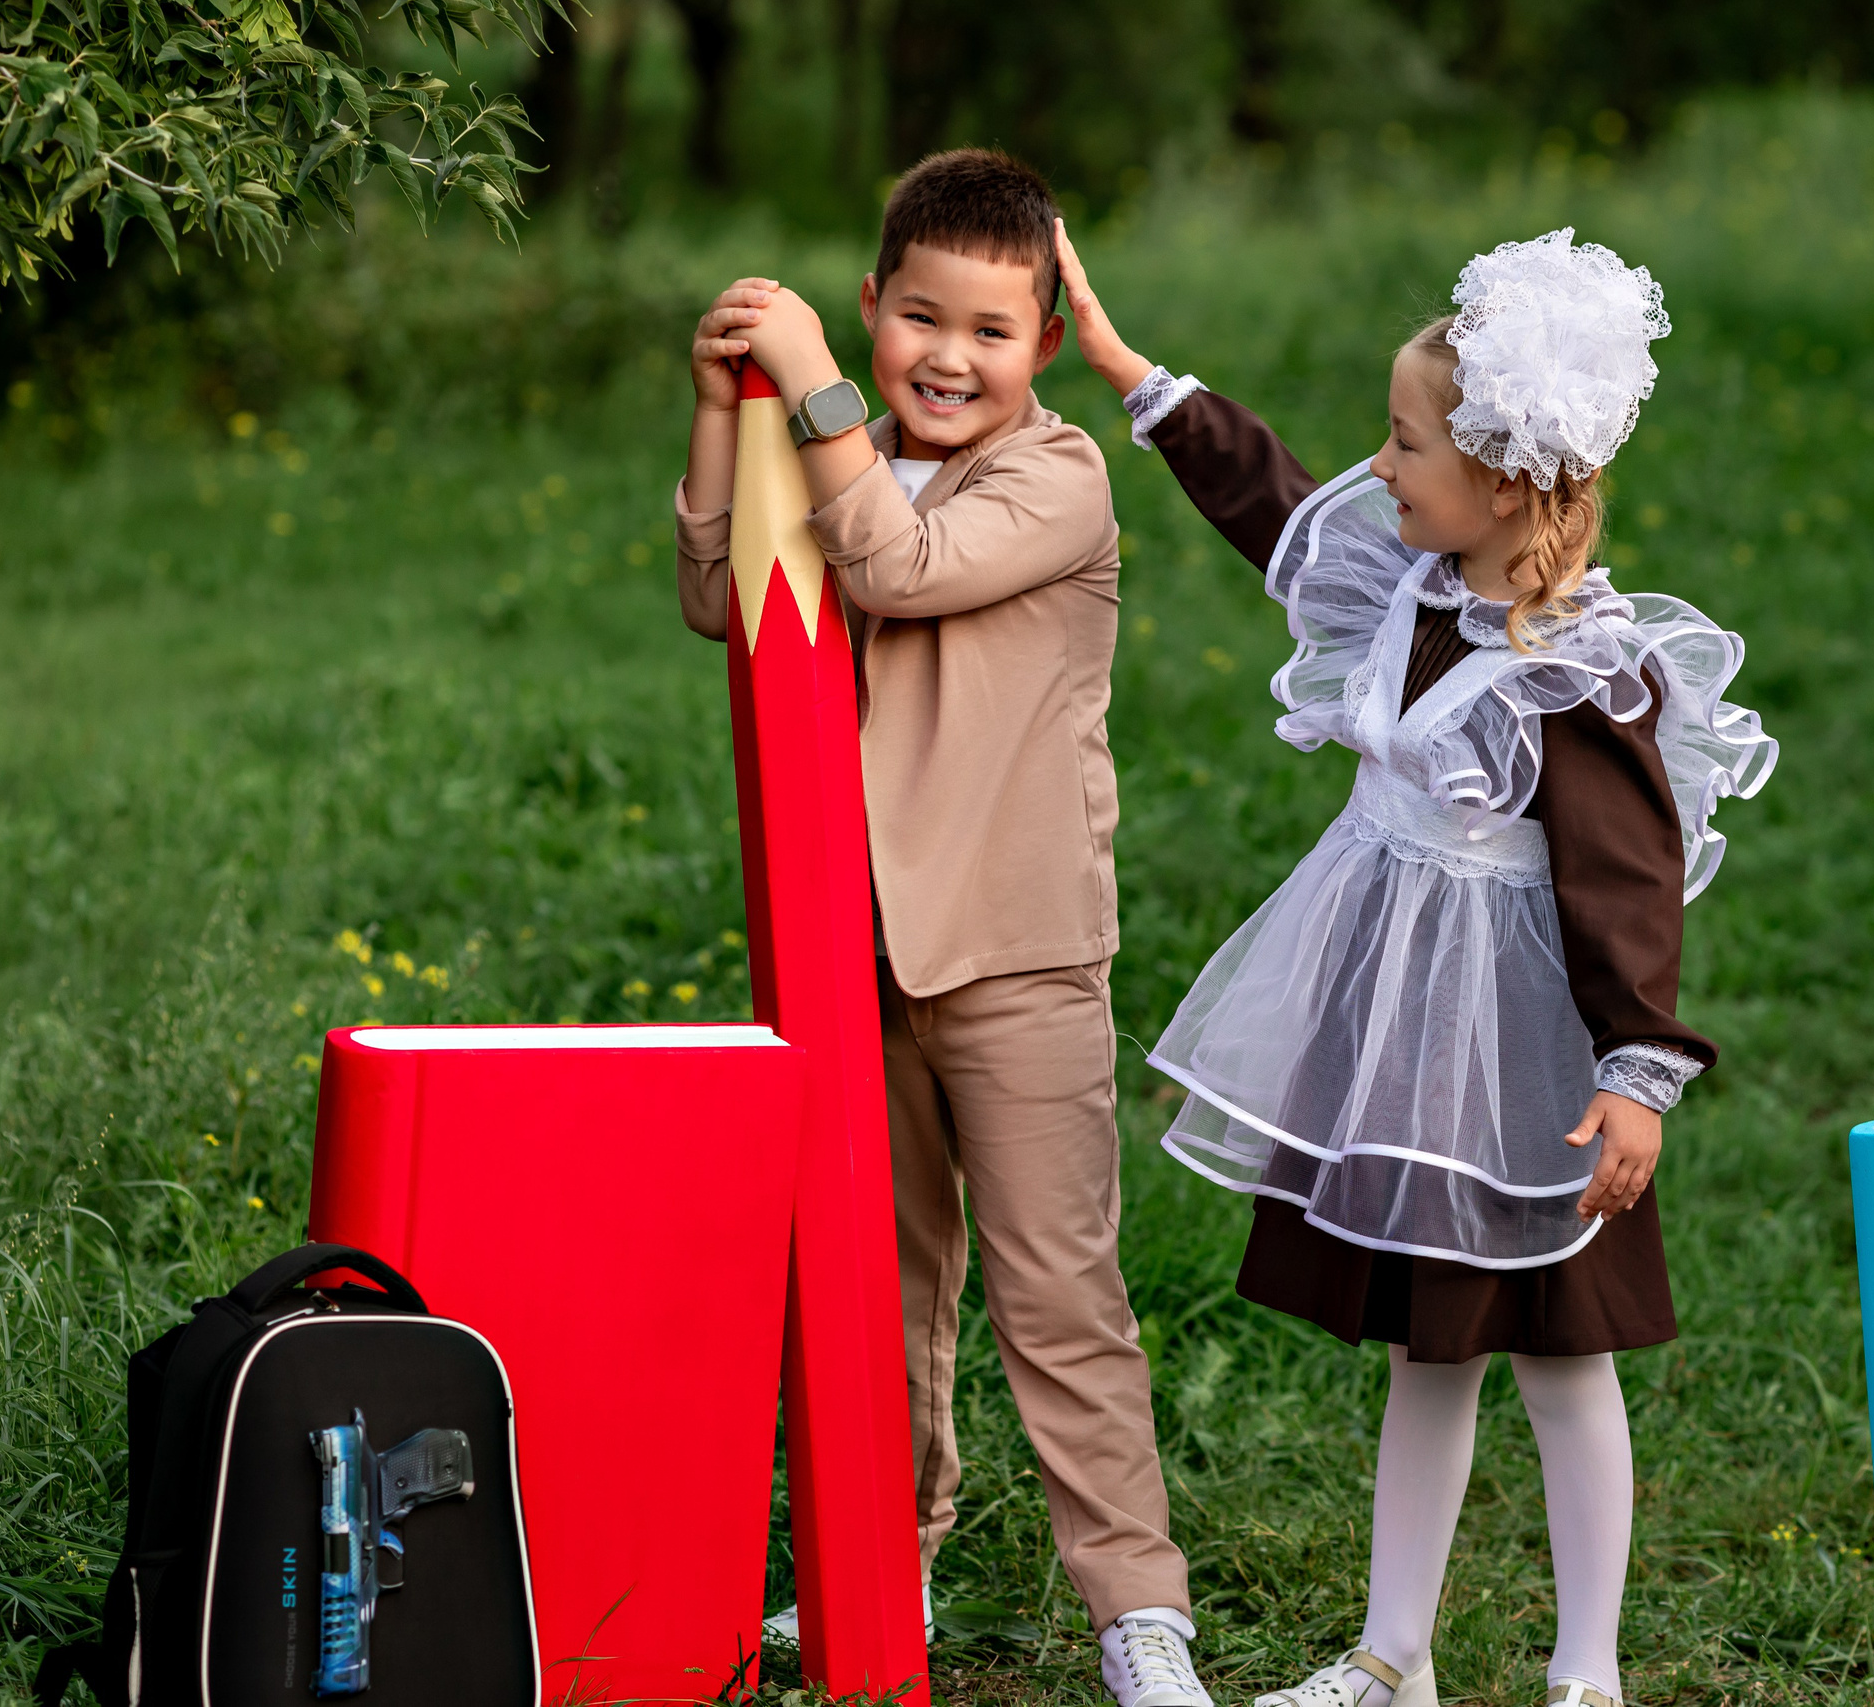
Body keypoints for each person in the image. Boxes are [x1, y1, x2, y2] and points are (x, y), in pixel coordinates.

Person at [1056, 220, 1776, 1707]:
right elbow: (1272, 504)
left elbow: (1628, 881)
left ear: (1502, 480)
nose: (1375, 469)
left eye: (1401, 444)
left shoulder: (1581, 666)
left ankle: (1589, 1675)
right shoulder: (1408, 596)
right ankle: (1396, 1655)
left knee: (1564, 1354)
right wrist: (1136, 378)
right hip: (1402, 1036)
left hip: (1536, 1063)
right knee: (1427, 1348)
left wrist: (1637, 1073)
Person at [674, 150, 1210, 1707]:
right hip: (849, 954)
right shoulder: (828, 446)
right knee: (876, 1277)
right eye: (920, 320)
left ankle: (1136, 1609)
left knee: (1058, 1288)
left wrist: (820, 391)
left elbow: (896, 577)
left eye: (990, 330)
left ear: (1044, 341)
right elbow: (725, 598)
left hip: (1017, 946)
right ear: (874, 303)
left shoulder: (1058, 477)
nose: (949, 359)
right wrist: (727, 405)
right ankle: (876, 1556)